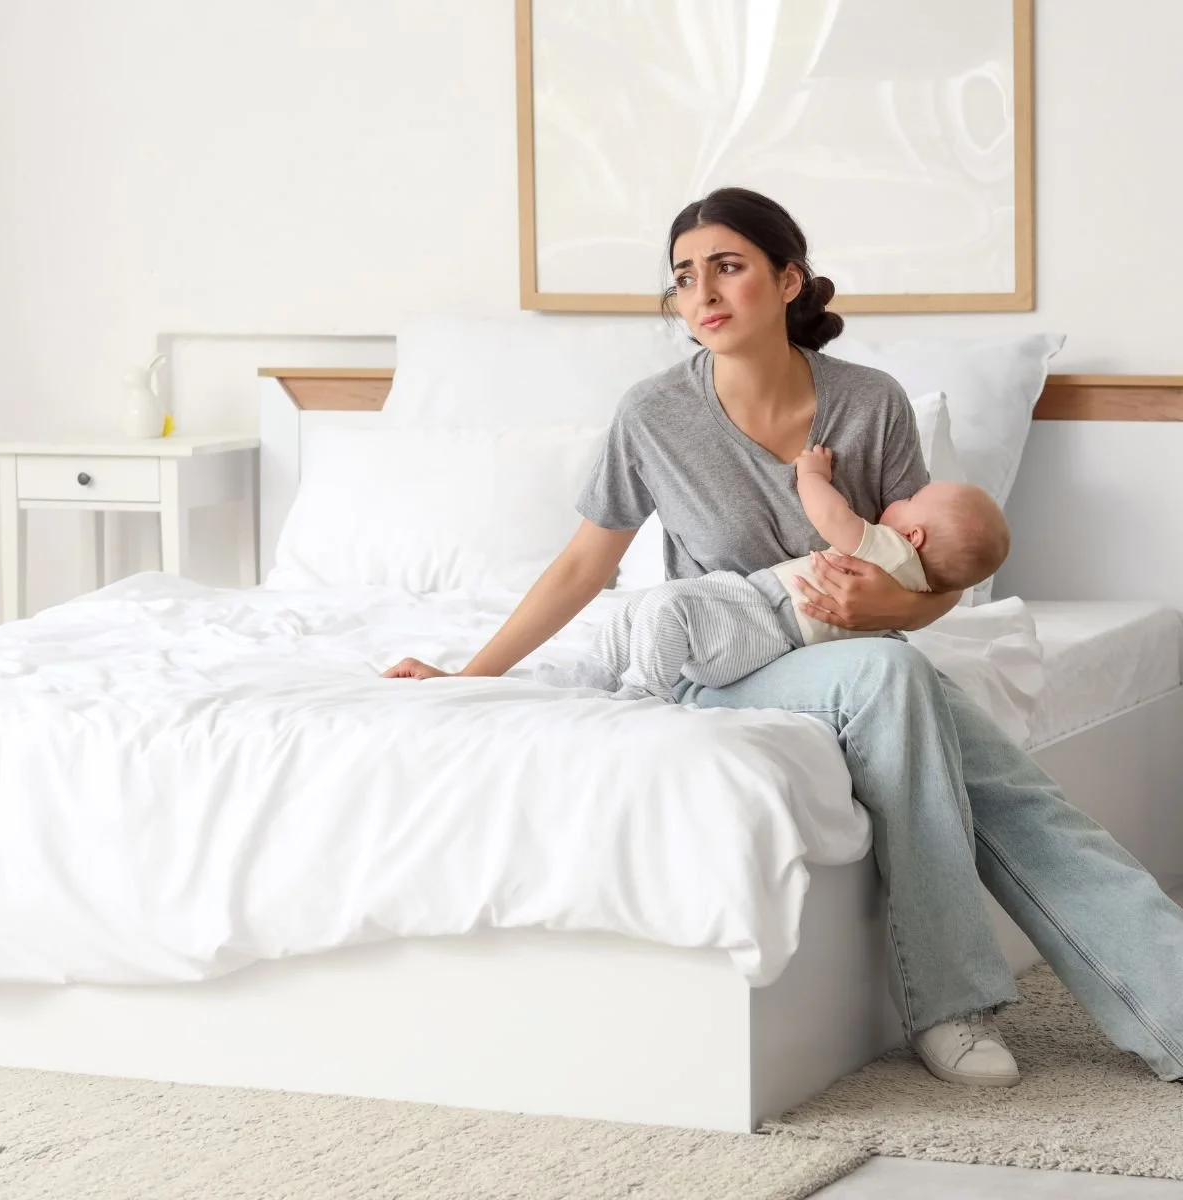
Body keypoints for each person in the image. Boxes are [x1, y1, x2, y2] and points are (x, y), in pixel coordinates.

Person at [383, 186, 1183, 1090]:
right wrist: (471, 676)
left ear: (787, 278)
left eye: (727, 266)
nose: (703, 293)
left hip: (857, 663)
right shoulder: (654, 416)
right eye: (685, 277)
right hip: (719, 667)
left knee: (1018, 795)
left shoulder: (869, 404)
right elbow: (580, 566)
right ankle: (948, 1003)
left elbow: (924, 578)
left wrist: (888, 615)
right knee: (893, 681)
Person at [535, 446, 1009, 701]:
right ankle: (596, 674)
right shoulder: (923, 583)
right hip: (752, 613)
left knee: (662, 605)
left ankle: (641, 693)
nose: (899, 498)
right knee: (639, 607)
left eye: (911, 501)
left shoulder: (893, 550)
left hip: (765, 627)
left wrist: (812, 476)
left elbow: (833, 520)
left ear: (917, 537)